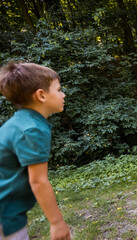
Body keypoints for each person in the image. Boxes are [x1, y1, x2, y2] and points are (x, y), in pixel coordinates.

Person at [0, 62, 71, 240]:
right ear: (41, 95)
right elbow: (38, 181)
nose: (63, 94)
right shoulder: (32, 129)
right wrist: (57, 223)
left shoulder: (21, 122)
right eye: (58, 89)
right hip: (5, 214)